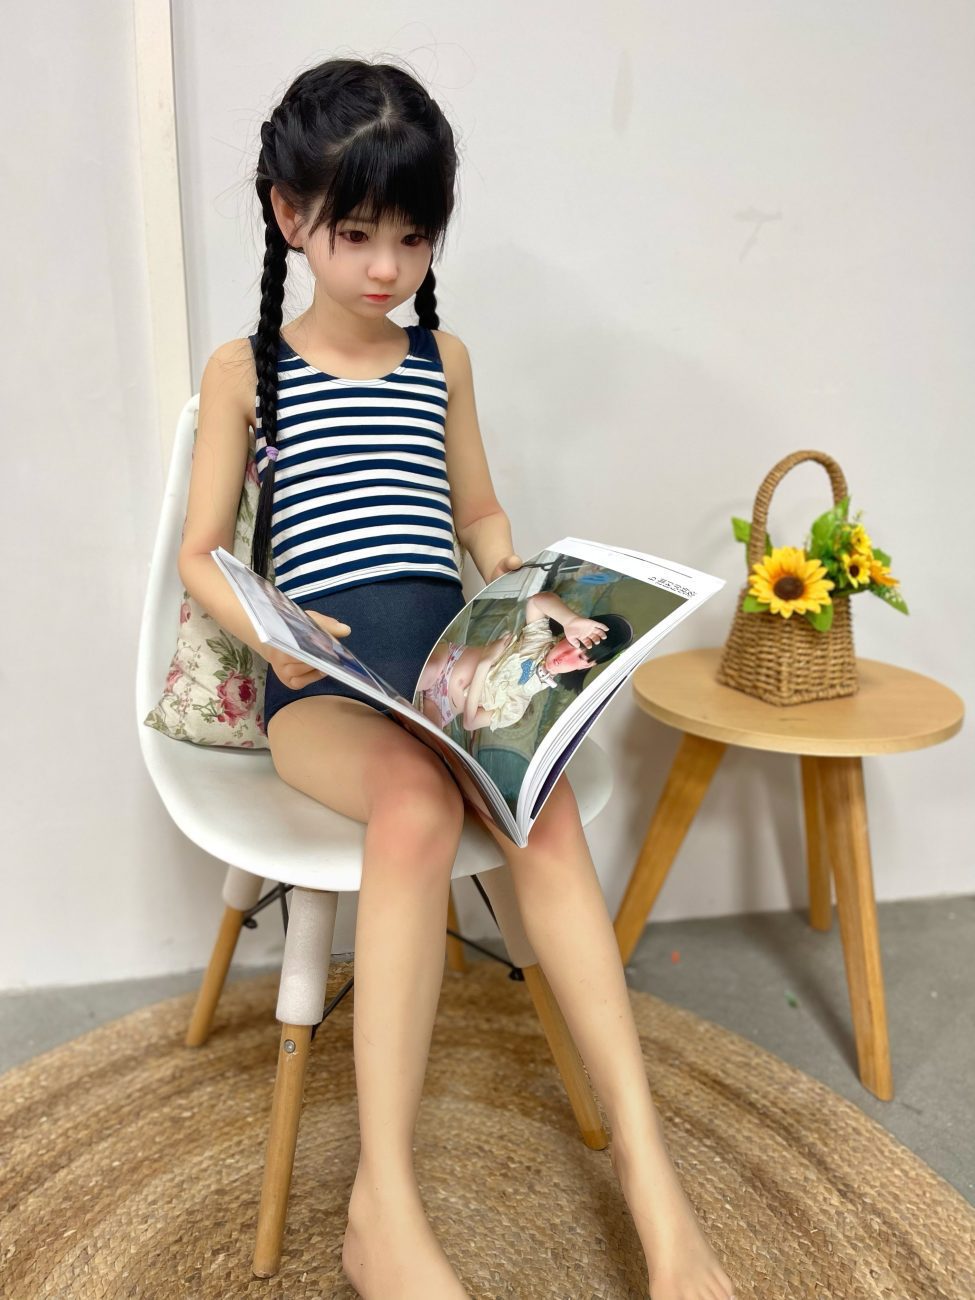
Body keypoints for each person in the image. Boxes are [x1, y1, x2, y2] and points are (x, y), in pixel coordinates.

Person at [177, 57, 737, 1300]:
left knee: (541, 808)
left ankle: (652, 1181)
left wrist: (522, 584)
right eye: (357, 234)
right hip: (325, 691)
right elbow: (200, 551)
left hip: (447, 674)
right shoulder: (245, 371)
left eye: (414, 237)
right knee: (419, 806)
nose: (387, 267)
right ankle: (382, 1201)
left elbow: (477, 511)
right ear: (289, 215)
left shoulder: (445, 360)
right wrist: (271, 629)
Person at [418, 593, 632, 733]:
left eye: (579, 657)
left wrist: (485, 663)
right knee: (426, 672)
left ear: (585, 666)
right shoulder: (538, 640)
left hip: (443, 707)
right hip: (445, 664)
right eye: (572, 644)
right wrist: (571, 621)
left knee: (427, 739)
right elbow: (537, 601)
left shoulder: (519, 704)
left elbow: (470, 722)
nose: (565, 656)